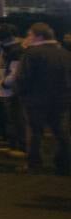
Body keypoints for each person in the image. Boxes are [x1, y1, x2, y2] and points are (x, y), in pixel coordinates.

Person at [16, 22, 70, 175]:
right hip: (62, 100)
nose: (28, 38)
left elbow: (23, 78)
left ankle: (34, 164)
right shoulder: (65, 54)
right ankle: (64, 163)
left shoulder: (32, 53)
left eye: (30, 35)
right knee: (61, 132)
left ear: (38, 36)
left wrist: (22, 95)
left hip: (36, 100)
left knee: (35, 132)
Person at [0, 25, 26, 158]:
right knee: (11, 118)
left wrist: (5, 83)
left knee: (16, 118)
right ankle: (13, 144)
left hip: (12, 90)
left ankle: (21, 146)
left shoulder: (15, 50)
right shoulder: (8, 49)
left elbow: (14, 71)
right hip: (7, 89)